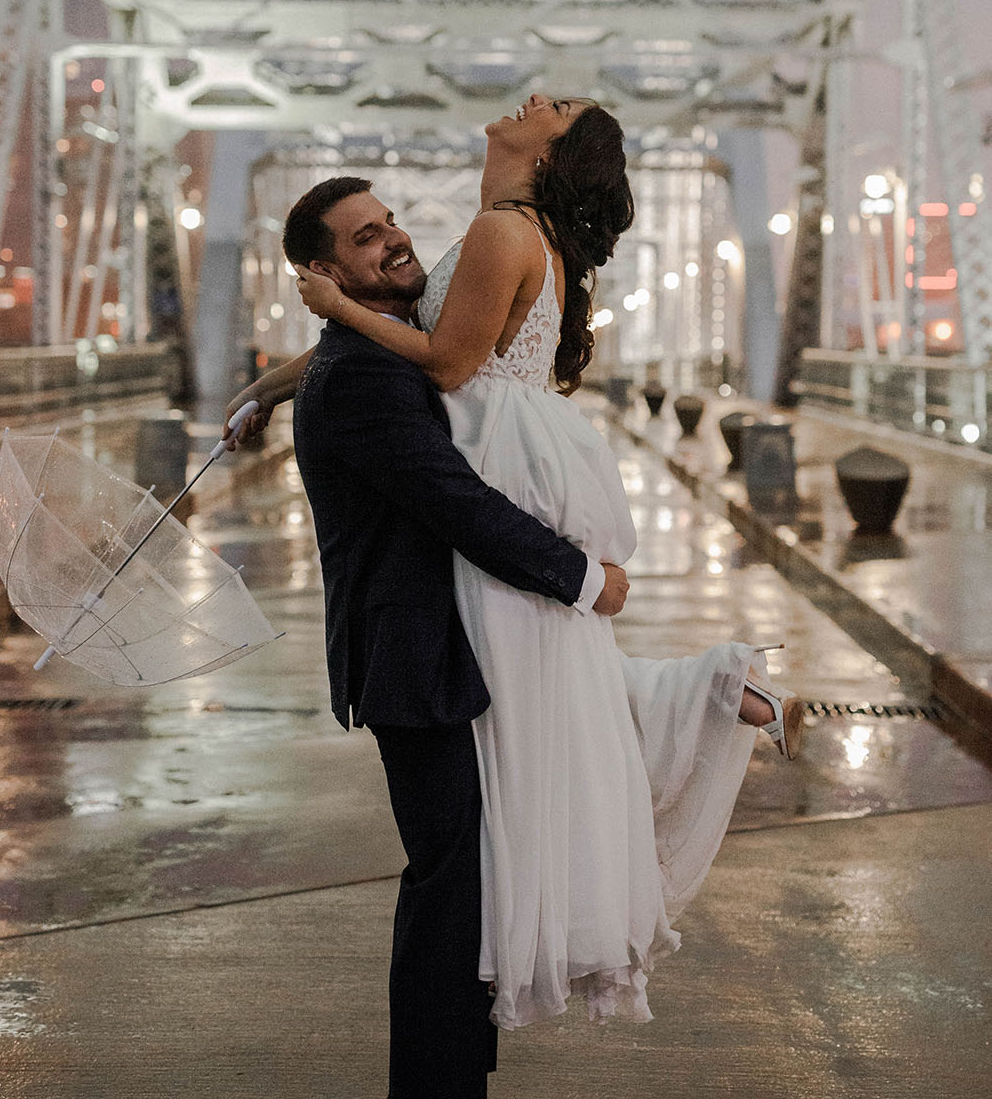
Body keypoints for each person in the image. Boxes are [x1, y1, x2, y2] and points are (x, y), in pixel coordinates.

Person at [226, 96, 802, 1034]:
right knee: (548, 699)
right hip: (509, 445)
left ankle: (706, 693)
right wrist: (264, 384)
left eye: (557, 106)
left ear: (552, 150)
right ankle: (711, 689)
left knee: (528, 717)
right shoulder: (507, 233)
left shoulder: (501, 230)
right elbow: (398, 333)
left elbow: (444, 363)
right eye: (367, 234)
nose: (536, 98)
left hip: (493, 450)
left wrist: (330, 307)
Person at [226, 173, 631, 1099]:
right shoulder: (364, 378)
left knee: (466, 873)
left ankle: (453, 1071)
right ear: (324, 274)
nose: (394, 240)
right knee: (449, 880)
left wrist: (262, 385)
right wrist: (580, 579)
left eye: (391, 221)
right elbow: (456, 502)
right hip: (413, 658)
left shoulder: (374, 355)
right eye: (366, 239)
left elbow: (445, 365)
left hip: (440, 651)